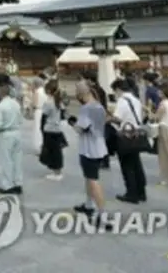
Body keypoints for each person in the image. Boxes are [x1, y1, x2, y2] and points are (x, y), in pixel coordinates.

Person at [71, 81, 111, 229]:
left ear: (82, 94)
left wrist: (72, 124)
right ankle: (89, 204)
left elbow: (81, 129)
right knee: (89, 177)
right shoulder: (99, 106)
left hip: (89, 149)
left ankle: (103, 215)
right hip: (100, 147)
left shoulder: (86, 109)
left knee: (93, 180)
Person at [107, 78, 147, 204]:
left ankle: (131, 193)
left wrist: (108, 118)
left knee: (127, 166)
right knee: (137, 164)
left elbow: (118, 119)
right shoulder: (135, 99)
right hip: (136, 134)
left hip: (125, 136)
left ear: (118, 89)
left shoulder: (122, 101)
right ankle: (141, 192)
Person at [0, 73, 23, 194]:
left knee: (5, 160)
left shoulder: (0, 107)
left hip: (4, 134)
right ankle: (18, 182)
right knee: (17, 159)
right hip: (16, 132)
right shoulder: (15, 103)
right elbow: (20, 119)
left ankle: (7, 185)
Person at [149, 82, 168, 187]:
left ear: (164, 92)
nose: (158, 92)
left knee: (166, 156)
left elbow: (155, 117)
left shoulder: (163, 104)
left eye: (159, 91)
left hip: (165, 130)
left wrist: (149, 111)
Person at [39, 79, 67, 180]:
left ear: (49, 91)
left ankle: (56, 172)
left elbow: (44, 117)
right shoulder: (59, 101)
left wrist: (41, 129)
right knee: (57, 151)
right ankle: (57, 171)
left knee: (52, 151)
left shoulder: (48, 102)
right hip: (57, 128)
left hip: (49, 128)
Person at [31, 77, 46, 154]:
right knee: (42, 128)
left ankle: (38, 147)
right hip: (44, 110)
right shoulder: (44, 91)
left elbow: (34, 104)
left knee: (37, 129)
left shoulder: (36, 92)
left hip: (38, 111)